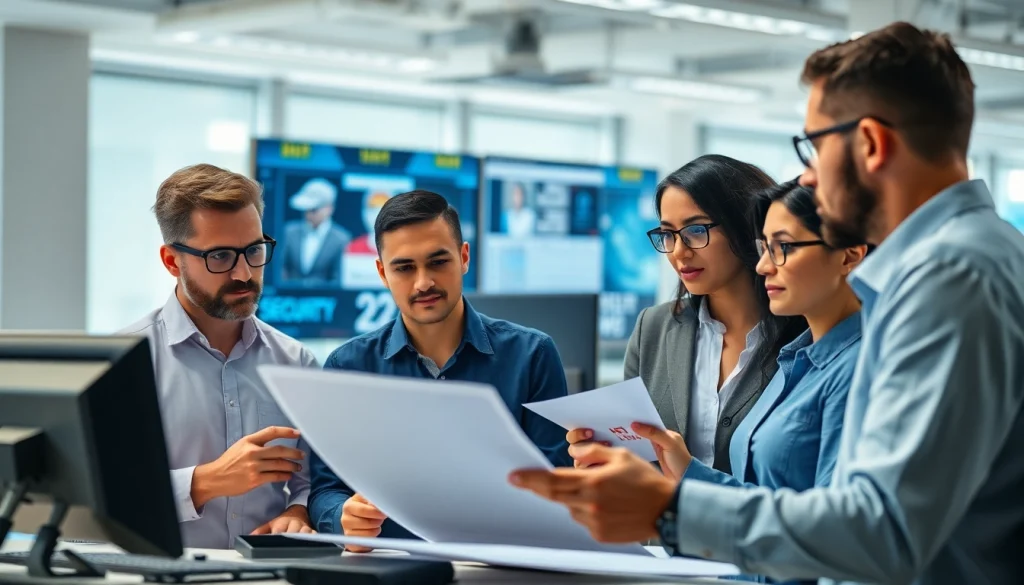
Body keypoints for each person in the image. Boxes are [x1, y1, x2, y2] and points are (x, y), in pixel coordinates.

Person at [510, 22, 1024, 585]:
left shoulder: (948, 277)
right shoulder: (984, 256)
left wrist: (668, 511)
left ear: (872, 145)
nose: (807, 175)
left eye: (815, 146)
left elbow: (883, 529)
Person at [308, 189, 572, 552]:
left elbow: (558, 485)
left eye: (437, 262)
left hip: (501, 570)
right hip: (389, 568)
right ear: (383, 273)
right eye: (404, 268)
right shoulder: (346, 368)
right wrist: (342, 517)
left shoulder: (532, 355)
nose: (423, 283)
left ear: (464, 257)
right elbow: (325, 490)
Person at [122, 164, 318, 549]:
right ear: (171, 261)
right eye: (221, 256)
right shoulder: (125, 363)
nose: (244, 273)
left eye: (254, 250)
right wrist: (206, 481)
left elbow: (312, 483)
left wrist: (298, 511)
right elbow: (101, 496)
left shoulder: (297, 364)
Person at [570, 155, 806, 475]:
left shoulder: (806, 334)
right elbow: (635, 453)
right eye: (668, 234)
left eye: (696, 230)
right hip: (660, 523)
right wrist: (602, 454)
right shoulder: (653, 327)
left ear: (745, 226)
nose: (680, 251)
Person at [281, 177, 351, 286]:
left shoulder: (341, 239)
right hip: (289, 300)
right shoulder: (288, 232)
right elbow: (280, 268)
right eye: (306, 209)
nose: (308, 214)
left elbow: (339, 278)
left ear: (329, 209)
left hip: (325, 300)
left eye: (314, 209)